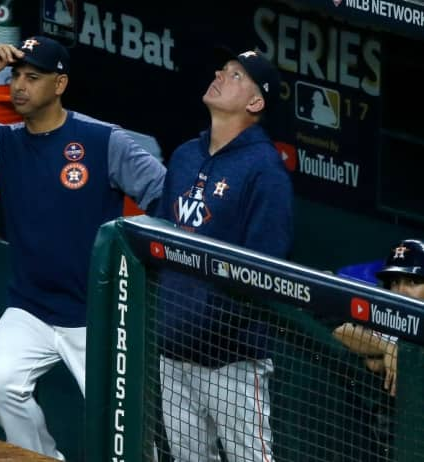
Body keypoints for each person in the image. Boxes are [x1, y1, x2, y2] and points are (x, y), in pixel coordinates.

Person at [0, 36, 166, 459]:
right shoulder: (3, 141)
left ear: (59, 85)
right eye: (16, 76)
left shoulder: (101, 140)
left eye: (32, 77)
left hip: (96, 315)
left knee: (125, 429)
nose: (19, 86)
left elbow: (165, 200)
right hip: (32, 307)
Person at [153, 48, 292, 461]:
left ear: (255, 102)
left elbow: (264, 270)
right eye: (224, 69)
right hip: (174, 349)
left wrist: (210, 325)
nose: (220, 74)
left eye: (235, 75)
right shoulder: (184, 156)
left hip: (232, 359)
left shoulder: (265, 170)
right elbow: (159, 241)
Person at [334, 238, 424, 398]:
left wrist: (399, 358)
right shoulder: (388, 309)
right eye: (395, 282)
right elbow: (341, 331)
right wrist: (388, 348)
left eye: (412, 282)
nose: (401, 290)